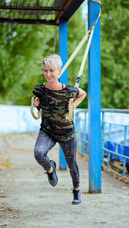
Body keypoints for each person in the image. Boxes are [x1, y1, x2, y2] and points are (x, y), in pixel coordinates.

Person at [32, 54, 86, 205]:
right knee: (38, 153)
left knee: (72, 165)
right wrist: (36, 105)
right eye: (45, 70)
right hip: (47, 131)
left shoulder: (69, 91)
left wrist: (74, 105)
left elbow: (83, 94)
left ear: (59, 71)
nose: (48, 74)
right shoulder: (40, 90)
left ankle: (76, 191)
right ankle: (50, 169)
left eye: (51, 70)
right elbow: (36, 104)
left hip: (67, 133)